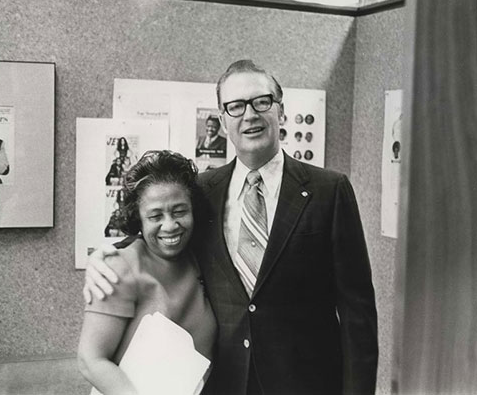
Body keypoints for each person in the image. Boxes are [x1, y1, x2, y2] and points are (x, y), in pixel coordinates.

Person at [84, 60, 378, 394]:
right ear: (223, 121)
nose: (249, 115)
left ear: (281, 112)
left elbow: (358, 313)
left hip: (307, 383)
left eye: (261, 102)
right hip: (224, 382)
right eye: (235, 107)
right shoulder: (202, 191)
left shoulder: (330, 189)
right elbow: (160, 234)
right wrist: (105, 257)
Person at [78, 150, 217, 395]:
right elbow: (91, 361)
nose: (170, 225)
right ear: (138, 219)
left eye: (179, 211)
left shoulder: (198, 255)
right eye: (155, 215)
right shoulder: (118, 266)